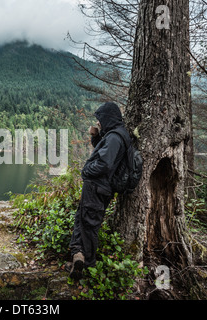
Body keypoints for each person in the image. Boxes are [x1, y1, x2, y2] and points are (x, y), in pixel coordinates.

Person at [68, 102, 131, 280]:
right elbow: (103, 153)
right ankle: (77, 257)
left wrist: (86, 171)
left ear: (108, 118)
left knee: (89, 224)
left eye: (100, 120)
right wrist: (96, 137)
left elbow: (104, 163)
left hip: (98, 187)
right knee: (83, 219)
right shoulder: (115, 135)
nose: (99, 123)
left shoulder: (114, 138)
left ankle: (88, 266)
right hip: (99, 187)